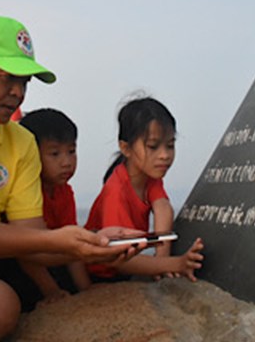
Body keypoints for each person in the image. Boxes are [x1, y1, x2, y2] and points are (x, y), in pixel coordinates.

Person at [0, 16, 137, 341]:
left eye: (25, 82)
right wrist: (64, 241)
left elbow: (31, 239)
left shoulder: (20, 142)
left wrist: (91, 243)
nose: (17, 92)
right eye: (7, 77)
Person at [85, 96, 205, 282]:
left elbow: (163, 207)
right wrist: (176, 264)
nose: (164, 155)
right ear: (126, 148)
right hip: (100, 274)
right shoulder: (116, 191)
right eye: (153, 146)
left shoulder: (149, 177)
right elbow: (118, 260)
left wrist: (162, 259)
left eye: (170, 145)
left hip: (127, 266)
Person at [0, 108, 92, 311]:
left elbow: (73, 246)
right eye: (54, 153)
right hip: (16, 263)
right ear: (31, 153)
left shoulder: (64, 193)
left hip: (47, 257)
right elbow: (25, 252)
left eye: (71, 151)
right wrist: (51, 291)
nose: (66, 162)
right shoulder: (23, 192)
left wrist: (86, 290)